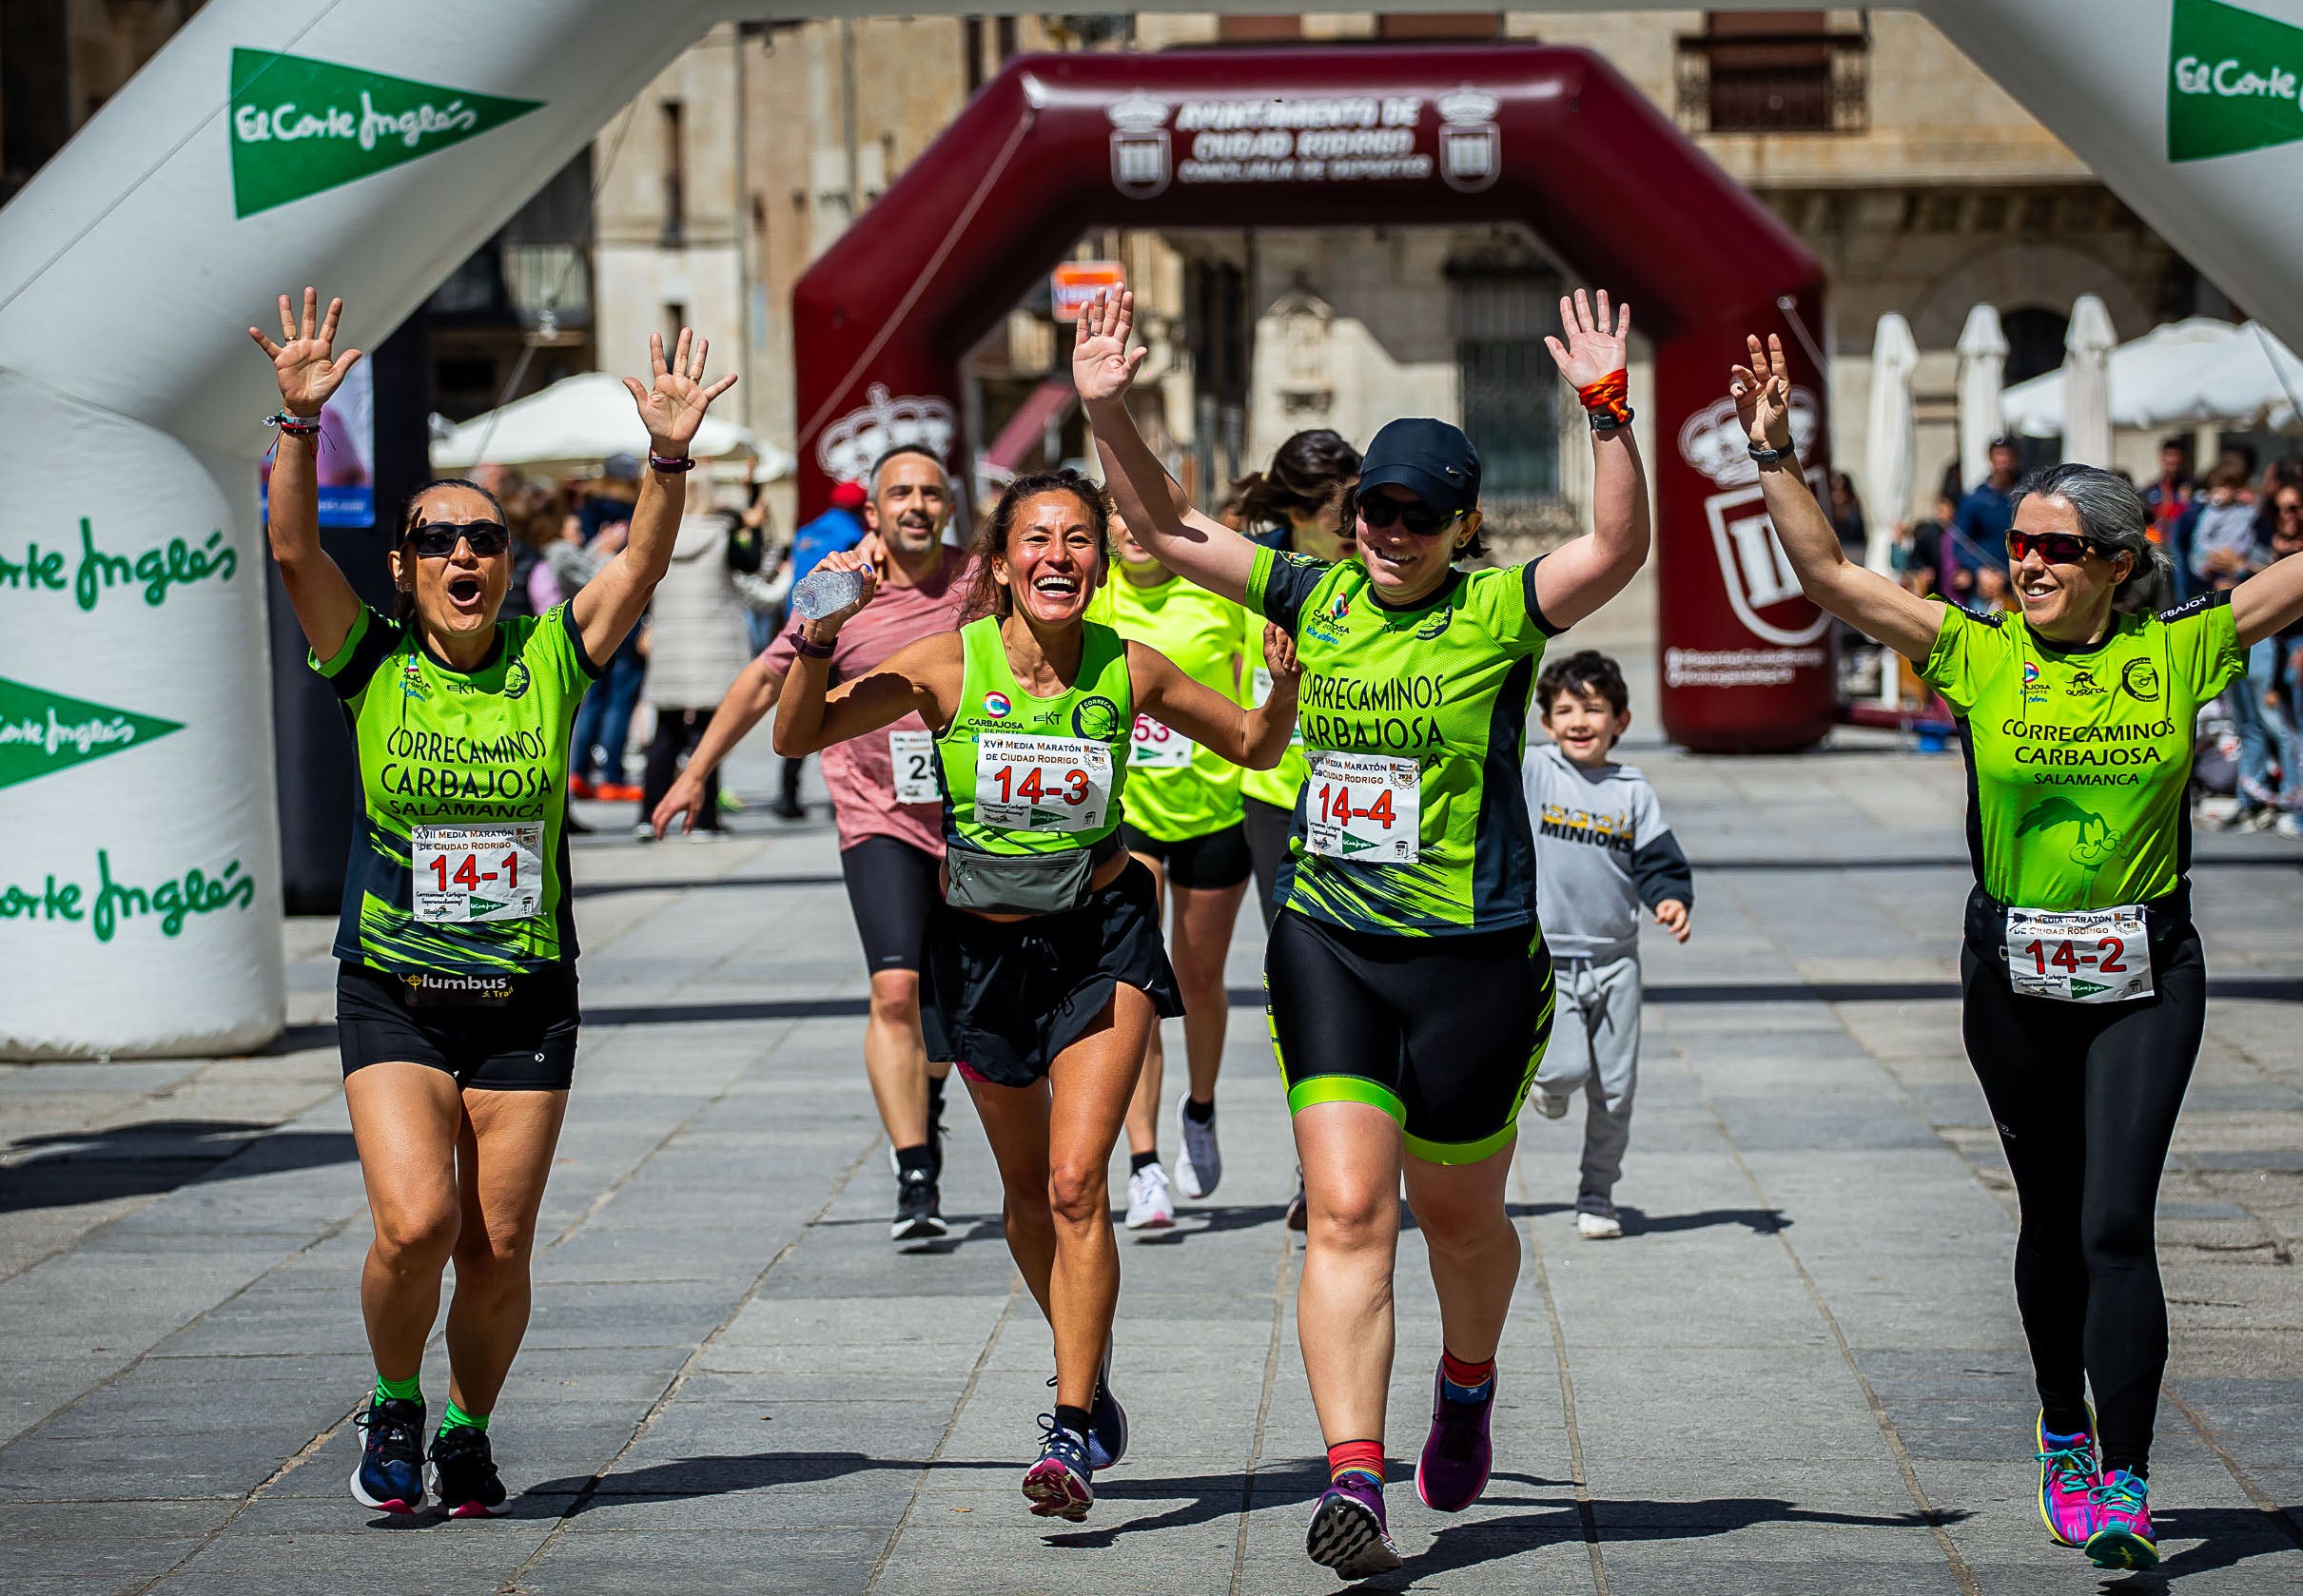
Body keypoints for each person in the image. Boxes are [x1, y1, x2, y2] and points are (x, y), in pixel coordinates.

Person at [1079, 285, 1650, 1579]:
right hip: (1332, 939)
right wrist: (1107, 401)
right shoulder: (1313, 592)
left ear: (1462, 524)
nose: (1387, 533)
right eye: (1371, 512)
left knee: (1457, 1219)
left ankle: (1465, 1377)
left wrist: (1609, 413)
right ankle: (1354, 1479)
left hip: (1472, 959)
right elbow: (1164, 527)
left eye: (1415, 516)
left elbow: (1615, 552)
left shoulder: (1501, 614)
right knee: (1347, 1211)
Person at [1729, 330, 2303, 1572]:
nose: (2026, 564)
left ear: (2115, 564)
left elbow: (2294, 579)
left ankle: (2131, 1478)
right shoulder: (1976, 653)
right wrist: (1774, 450)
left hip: (2148, 968)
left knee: (2115, 1219)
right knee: (2050, 1213)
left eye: (2055, 549)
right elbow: (1828, 575)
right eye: (2018, 545)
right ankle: (2060, 1423)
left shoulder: (2177, 648)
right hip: (2013, 974)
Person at [250, 288, 733, 1519]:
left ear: (506, 563)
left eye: (484, 541)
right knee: (418, 1221)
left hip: (525, 995)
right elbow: (297, 552)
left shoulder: (550, 656)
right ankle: (396, 1398)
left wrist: (666, 454)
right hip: (395, 991)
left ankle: (466, 1427)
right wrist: (300, 426)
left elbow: (642, 558)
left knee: (499, 1246)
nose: (466, 556)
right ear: (406, 571)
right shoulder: (370, 659)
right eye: (438, 541)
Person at [771, 469, 1301, 1523]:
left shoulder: (1130, 666)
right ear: (1002, 563)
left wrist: (1280, 686)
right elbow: (798, 735)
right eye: (1037, 540)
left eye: (1079, 541)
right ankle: (1087, 1366)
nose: (1059, 557)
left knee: (1073, 1183)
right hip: (977, 955)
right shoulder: (944, 665)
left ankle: (1066, 1426)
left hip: (1100, 942)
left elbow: (1252, 745)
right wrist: (819, 635)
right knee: (1022, 1195)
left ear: (1100, 564)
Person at [653, 445, 970, 1241]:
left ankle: (925, 1096)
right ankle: (915, 1176)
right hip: (877, 817)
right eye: (900, 492)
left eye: (931, 493)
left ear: (949, 508)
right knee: (895, 989)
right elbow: (769, 679)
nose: (917, 506)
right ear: (874, 511)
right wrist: (696, 772)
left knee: (949, 1014)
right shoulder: (842, 589)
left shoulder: (982, 584)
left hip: (973, 823)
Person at [1088, 512, 1256, 1230]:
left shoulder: (1217, 598)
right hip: (1131, 817)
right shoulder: (1093, 602)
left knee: (1197, 979)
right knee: (1136, 987)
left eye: (1144, 515)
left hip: (1216, 815)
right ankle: (1144, 1164)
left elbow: (1257, 701)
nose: (1133, 530)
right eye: (1118, 517)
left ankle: (1202, 1106)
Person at [1520, 649, 1692, 1241]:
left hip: (1617, 962)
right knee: (1564, 1068)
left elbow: (1659, 861)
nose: (1579, 721)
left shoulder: (1632, 790)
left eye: (1594, 709)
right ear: (1545, 722)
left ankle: (1597, 1194)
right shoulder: (1538, 771)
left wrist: (1669, 899)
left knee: (1616, 1093)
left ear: (1620, 720)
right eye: (1565, 710)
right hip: (1551, 960)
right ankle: (1546, 1084)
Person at [635, 481, 757, 840]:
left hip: (672, 645)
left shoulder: (663, 535)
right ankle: (704, 819)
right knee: (710, 733)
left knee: (666, 733)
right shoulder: (724, 534)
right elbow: (750, 565)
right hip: (713, 645)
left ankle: (648, 814)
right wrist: (751, 526)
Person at [774, 480, 872, 818]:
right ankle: (840, 796)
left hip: (799, 630)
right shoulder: (853, 537)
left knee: (798, 710)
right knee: (837, 716)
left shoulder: (807, 531)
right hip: (835, 637)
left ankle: (787, 796)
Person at [1951, 437, 2023, 580]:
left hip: (2021, 574)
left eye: (2007, 454)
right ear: (1990, 458)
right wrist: (1979, 570)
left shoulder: (2025, 495)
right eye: (1999, 454)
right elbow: (1960, 543)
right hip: (1988, 581)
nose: (2003, 460)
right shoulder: (1975, 499)